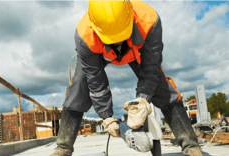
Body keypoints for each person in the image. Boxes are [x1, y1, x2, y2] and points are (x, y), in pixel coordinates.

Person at [51, 1, 203, 156]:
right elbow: (96, 81)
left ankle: (190, 146)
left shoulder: (149, 20)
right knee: (78, 87)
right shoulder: (84, 35)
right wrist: (106, 117)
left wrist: (142, 101)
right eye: (113, 39)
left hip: (136, 51)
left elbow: (150, 69)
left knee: (163, 88)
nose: (117, 42)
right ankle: (63, 148)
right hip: (98, 52)